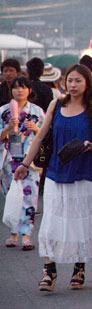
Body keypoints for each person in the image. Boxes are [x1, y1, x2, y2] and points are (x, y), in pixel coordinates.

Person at [14, 64, 92, 292]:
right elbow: (39, 137)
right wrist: (25, 164)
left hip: (83, 174)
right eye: (70, 81)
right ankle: (49, 271)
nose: (72, 85)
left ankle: (79, 267)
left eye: (78, 81)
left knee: (79, 222)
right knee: (51, 222)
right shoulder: (56, 104)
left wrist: (87, 146)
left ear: (87, 84)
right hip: (55, 173)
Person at [0, 77, 44, 250]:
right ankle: (13, 233)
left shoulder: (38, 111)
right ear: (11, 91)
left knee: (29, 195)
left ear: (30, 90)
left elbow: (46, 134)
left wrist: (37, 128)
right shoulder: (3, 111)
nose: (20, 91)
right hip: (8, 159)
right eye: (16, 88)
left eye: (23, 88)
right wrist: (8, 128)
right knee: (11, 196)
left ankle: (26, 235)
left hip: (29, 160)